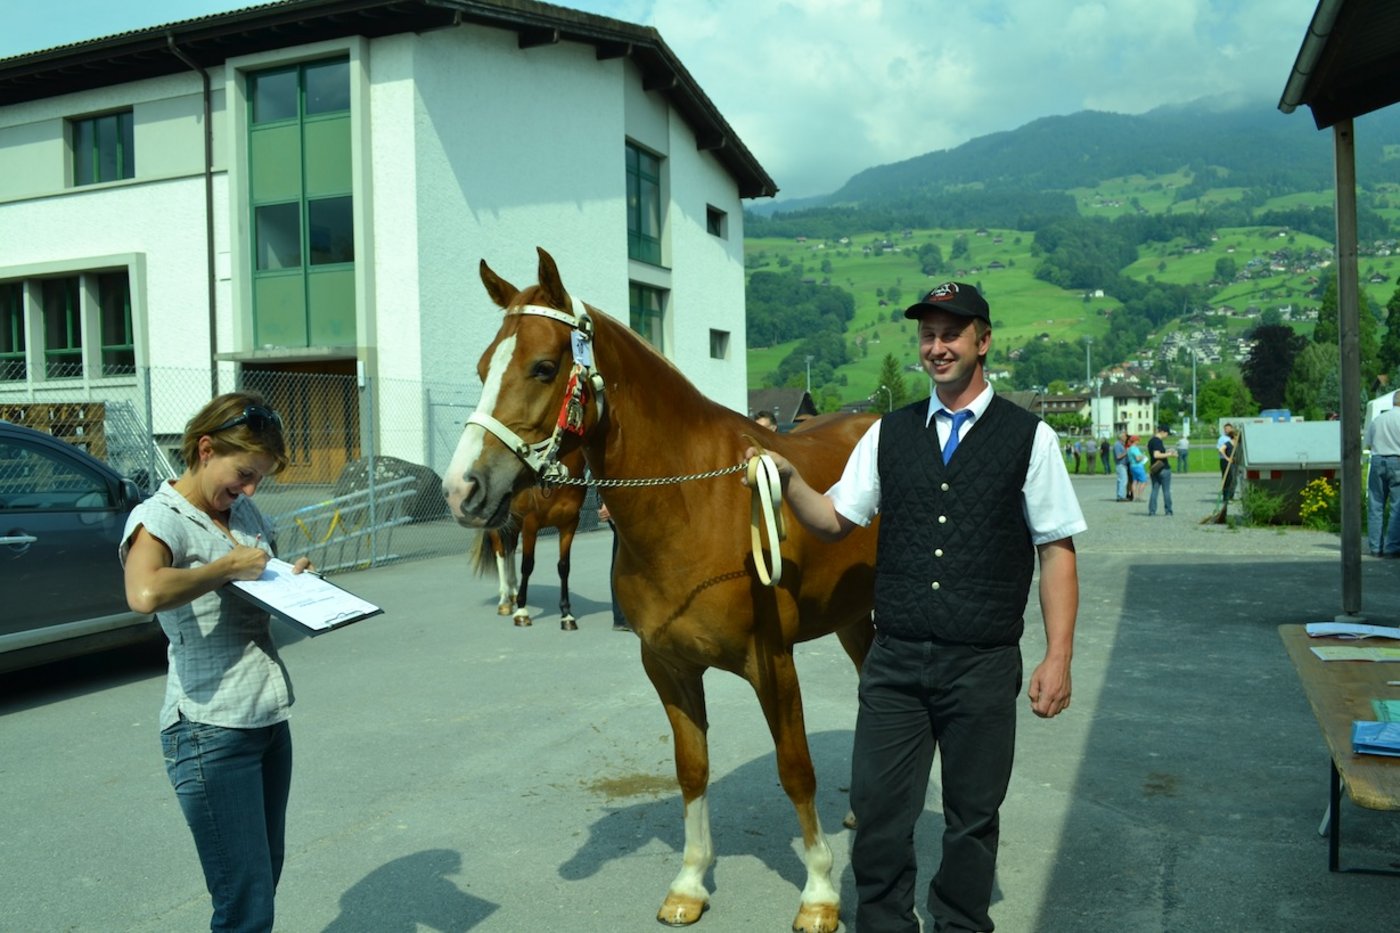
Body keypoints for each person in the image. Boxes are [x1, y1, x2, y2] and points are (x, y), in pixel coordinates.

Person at [747, 281, 1083, 933]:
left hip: (981, 664)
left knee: (971, 820)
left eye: (951, 332)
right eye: (928, 334)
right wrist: (787, 479)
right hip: (895, 660)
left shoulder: (1030, 439)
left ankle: (960, 924)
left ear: (983, 340)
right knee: (877, 811)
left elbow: (1057, 550)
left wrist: (1058, 655)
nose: (937, 346)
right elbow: (834, 517)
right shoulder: (887, 435)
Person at [120, 391, 312, 933]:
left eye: (259, 480)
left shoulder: (241, 510)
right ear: (206, 449)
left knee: (262, 874)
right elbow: (145, 593)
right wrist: (225, 567)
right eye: (244, 473)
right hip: (210, 731)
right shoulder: (159, 518)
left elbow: (258, 575)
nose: (249, 490)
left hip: (266, 717)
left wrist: (290, 579)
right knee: (243, 901)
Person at [1364, 391, 1400, 557]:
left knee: (1376, 505)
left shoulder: (1378, 419)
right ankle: (1392, 547)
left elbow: (1369, 445)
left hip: (1378, 461)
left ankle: (1375, 547)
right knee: (1397, 507)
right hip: (1397, 461)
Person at [598, 502, 630, 629]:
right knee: (622, 558)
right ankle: (620, 617)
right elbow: (604, 481)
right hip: (620, 507)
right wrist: (606, 502)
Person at [1147, 424, 1174, 516]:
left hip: (1154, 469)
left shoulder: (1151, 441)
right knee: (1166, 491)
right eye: (1167, 433)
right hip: (1163, 468)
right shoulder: (1157, 441)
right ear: (1162, 432)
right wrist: (1170, 454)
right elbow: (1156, 455)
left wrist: (1166, 452)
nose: (1167, 436)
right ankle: (1168, 510)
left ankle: (1152, 510)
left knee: (1154, 490)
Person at [1217, 424, 1238, 501]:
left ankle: (1230, 496)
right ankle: (1226, 497)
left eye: (1229, 428)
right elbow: (1220, 449)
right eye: (1226, 428)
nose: (1227, 430)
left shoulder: (1237, 443)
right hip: (1226, 462)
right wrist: (1227, 458)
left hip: (1235, 462)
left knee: (1234, 480)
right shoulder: (1226, 441)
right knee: (1228, 479)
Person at [1127, 435, 1149, 501]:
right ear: (1136, 441)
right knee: (1144, 481)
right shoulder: (1135, 448)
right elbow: (1138, 458)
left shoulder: (1129, 448)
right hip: (1138, 466)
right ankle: (1139, 497)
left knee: (1135, 481)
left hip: (1132, 466)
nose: (1139, 441)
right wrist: (1143, 456)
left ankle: (1134, 497)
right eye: (1138, 440)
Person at [1113, 431, 1131, 501]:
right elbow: (1118, 456)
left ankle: (1120, 495)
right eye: (1125, 436)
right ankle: (1121, 496)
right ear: (1122, 437)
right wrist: (1126, 452)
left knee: (1121, 480)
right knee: (1123, 480)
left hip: (1123, 464)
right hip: (1120, 464)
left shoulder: (1121, 444)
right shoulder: (1117, 445)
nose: (1126, 438)